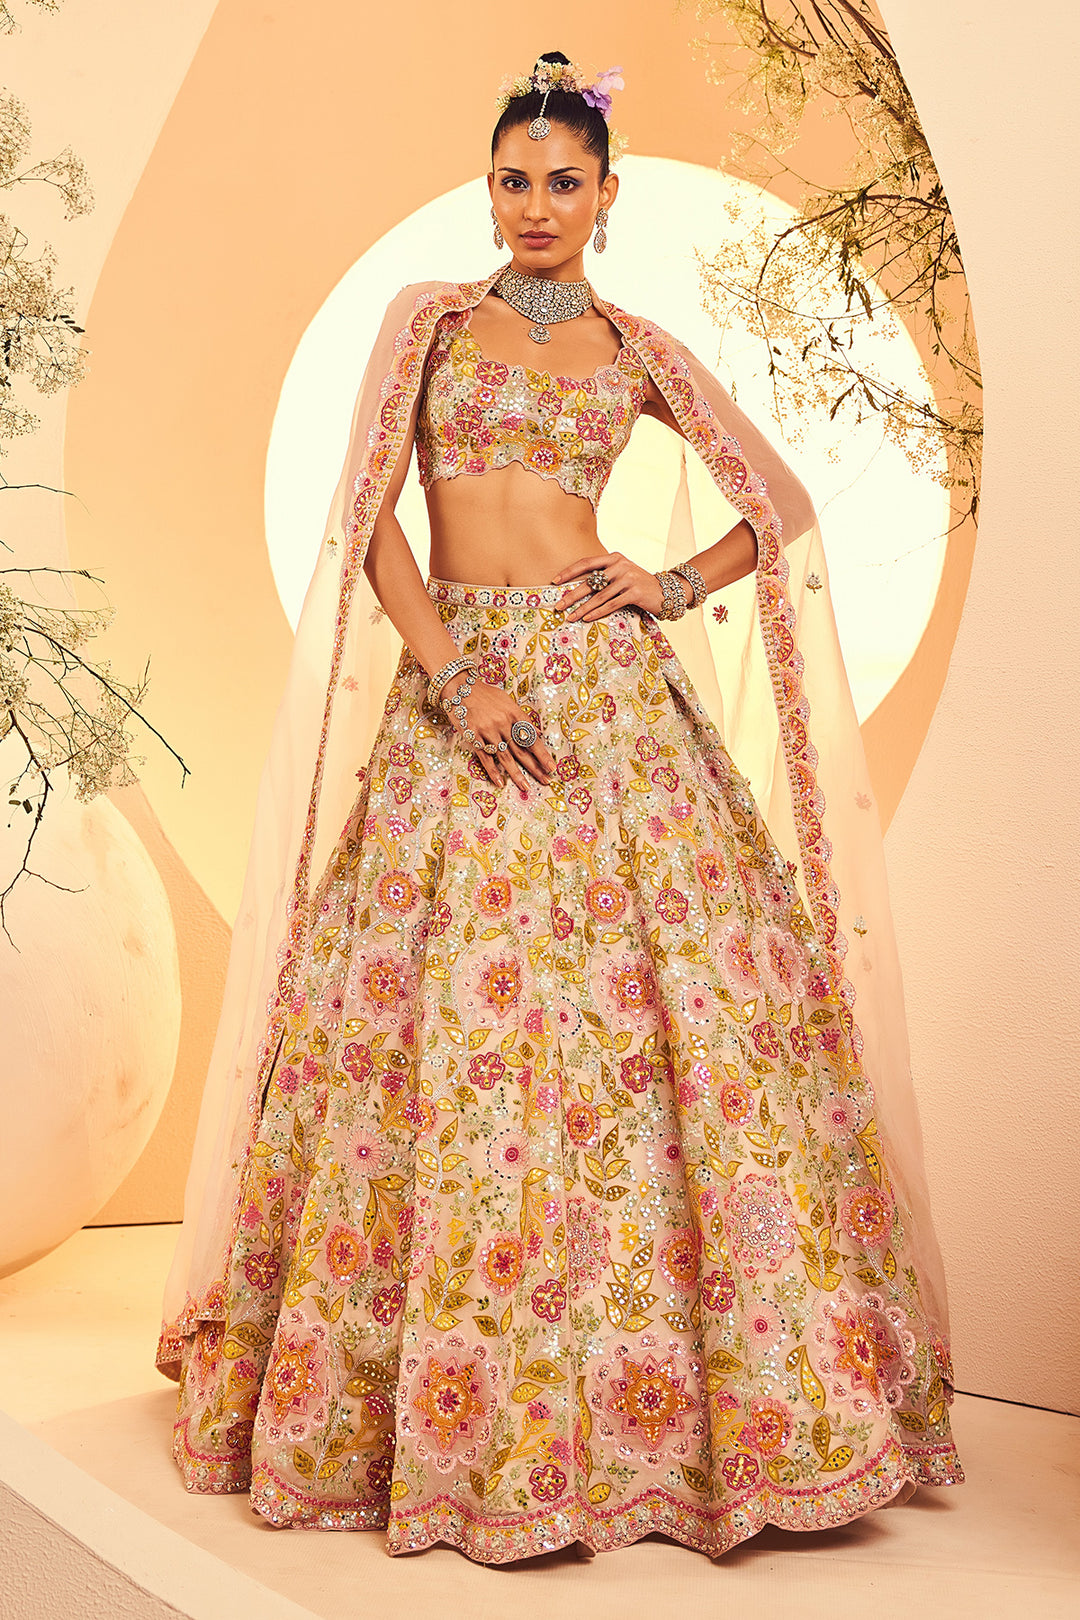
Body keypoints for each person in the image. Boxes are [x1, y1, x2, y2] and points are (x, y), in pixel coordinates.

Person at [156, 52, 963, 1562]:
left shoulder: (638, 346)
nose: (537, 205)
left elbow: (778, 505)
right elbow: (370, 526)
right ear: (489, 189)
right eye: (515, 179)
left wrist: (667, 584)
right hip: (463, 699)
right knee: (448, 1032)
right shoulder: (426, 324)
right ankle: (436, 1399)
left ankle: (667, 1406)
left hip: (606, 705)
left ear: (607, 193)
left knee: (648, 1034)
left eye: (565, 182)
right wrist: (456, 676)